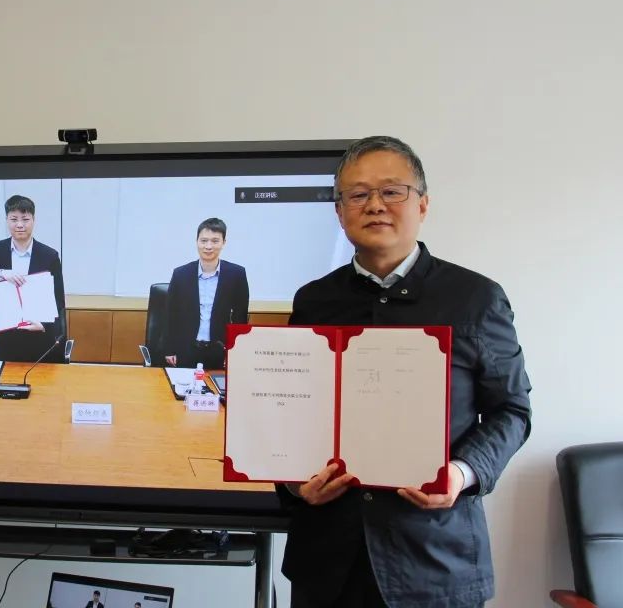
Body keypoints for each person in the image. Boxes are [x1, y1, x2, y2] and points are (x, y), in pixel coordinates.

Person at [280, 136, 532, 608]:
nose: (375, 205)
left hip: (435, 561)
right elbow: (292, 411)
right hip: (327, 564)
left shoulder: (475, 298)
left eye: (392, 191)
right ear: (339, 212)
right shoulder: (314, 301)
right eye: (358, 194)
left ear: (423, 204)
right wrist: (293, 481)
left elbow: (512, 411)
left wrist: (460, 473)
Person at [0, 194, 67, 363]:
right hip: (7, 336)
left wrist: (44, 326)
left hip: (40, 336)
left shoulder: (49, 256)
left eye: (25, 219)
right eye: (14, 219)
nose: (19, 225)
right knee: (8, 377)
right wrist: (1, 274)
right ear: (7, 220)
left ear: (33, 220)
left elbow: (58, 300)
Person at [163, 217, 249, 370]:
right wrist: (169, 349)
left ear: (224, 242)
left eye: (215, 241)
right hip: (186, 349)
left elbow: (240, 318)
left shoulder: (236, 274)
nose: (208, 246)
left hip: (219, 350)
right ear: (197, 241)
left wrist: (234, 351)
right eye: (204, 241)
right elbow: (171, 314)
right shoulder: (181, 274)